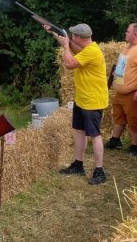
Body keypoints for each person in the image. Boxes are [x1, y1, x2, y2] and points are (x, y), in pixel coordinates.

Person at [43, 23, 109, 185]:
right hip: (83, 99)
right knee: (79, 130)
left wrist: (65, 46)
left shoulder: (92, 52)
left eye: (73, 35)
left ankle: (100, 171)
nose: (71, 37)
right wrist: (55, 34)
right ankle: (78, 165)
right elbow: (72, 48)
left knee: (95, 135)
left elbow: (69, 63)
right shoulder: (87, 49)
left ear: (79, 37)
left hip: (92, 101)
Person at [105, 23, 137, 156]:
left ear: (136, 34)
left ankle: (135, 147)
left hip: (134, 92)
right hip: (122, 91)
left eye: (127, 31)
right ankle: (115, 141)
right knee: (119, 116)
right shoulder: (128, 47)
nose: (125, 33)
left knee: (134, 118)